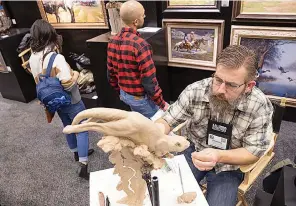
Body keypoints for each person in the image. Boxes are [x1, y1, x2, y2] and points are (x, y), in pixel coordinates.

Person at [156, 45, 274, 206]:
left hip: (229, 165)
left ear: (249, 86)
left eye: (231, 85)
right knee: (163, 194)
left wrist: (218, 155)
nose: (220, 89)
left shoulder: (259, 106)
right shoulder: (196, 90)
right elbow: (167, 120)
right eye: (218, 79)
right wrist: (156, 131)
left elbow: (253, 151)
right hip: (194, 151)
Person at [29, 19, 94, 180]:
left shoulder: (32, 57)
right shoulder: (55, 57)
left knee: (67, 125)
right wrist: (77, 74)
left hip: (52, 100)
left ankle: (76, 153)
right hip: (71, 99)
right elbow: (68, 83)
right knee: (81, 127)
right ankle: (83, 165)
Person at [107, 0, 168, 119]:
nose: (144, 17)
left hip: (125, 95)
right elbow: (149, 81)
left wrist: (120, 91)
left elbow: (111, 74)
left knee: (137, 122)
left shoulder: (112, 41)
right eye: (143, 15)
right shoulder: (141, 45)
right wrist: (162, 103)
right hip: (140, 99)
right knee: (155, 128)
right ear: (136, 21)